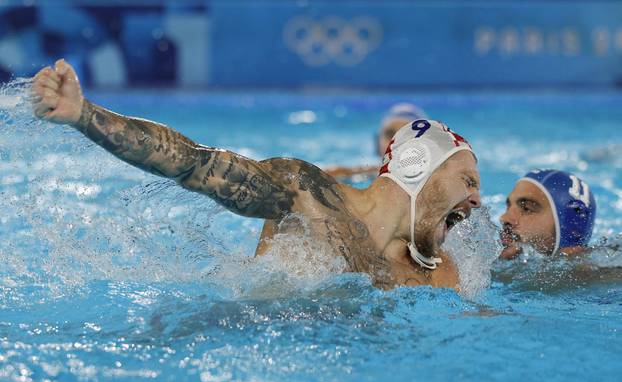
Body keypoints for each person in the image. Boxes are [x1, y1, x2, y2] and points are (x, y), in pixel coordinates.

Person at [32, 59, 481, 289]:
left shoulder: (444, 275)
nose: (477, 200)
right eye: (469, 182)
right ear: (419, 167)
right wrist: (84, 115)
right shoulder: (307, 195)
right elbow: (193, 161)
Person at [499, 169, 596, 260]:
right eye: (509, 206)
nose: (504, 218)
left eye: (526, 209)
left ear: (572, 224)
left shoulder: (599, 276)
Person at [324, 102, 427, 179]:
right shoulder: (363, 174)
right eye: (390, 134)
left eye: (407, 134)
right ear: (377, 143)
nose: (396, 141)